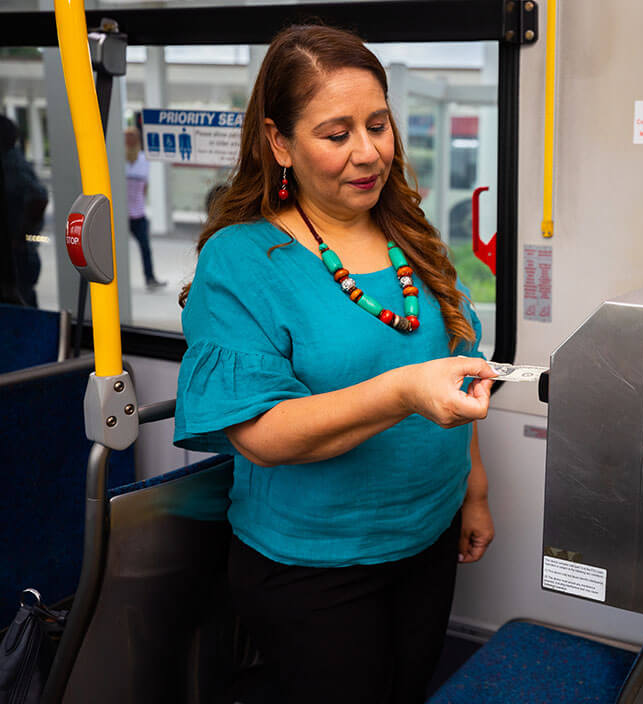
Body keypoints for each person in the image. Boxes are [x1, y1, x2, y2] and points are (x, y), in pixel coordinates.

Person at [174, 25, 497, 704]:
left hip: (428, 535)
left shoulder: (410, 233)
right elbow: (260, 435)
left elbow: (454, 365)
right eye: (336, 133)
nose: (368, 152)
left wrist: (474, 489)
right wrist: (403, 392)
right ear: (279, 142)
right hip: (313, 568)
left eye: (378, 124)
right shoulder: (241, 260)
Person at [0, 115, 47, 307]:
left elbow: (39, 199)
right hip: (19, 254)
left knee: (22, 311)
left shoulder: (10, 164)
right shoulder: (13, 161)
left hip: (18, 256)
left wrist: (19, 238)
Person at [124, 126, 165, 290]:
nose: (130, 141)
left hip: (138, 213)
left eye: (133, 138)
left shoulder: (143, 160)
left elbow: (145, 187)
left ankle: (150, 278)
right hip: (121, 214)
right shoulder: (118, 159)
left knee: (145, 248)